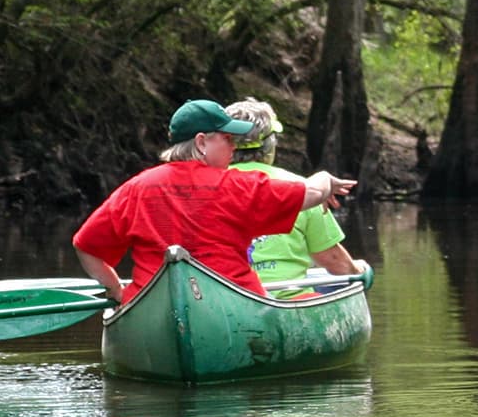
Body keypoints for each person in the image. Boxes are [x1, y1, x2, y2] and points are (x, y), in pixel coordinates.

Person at [72, 98, 357, 303]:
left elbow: (85, 246)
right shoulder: (237, 186)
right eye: (227, 138)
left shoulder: (135, 188)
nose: (234, 146)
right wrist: (325, 179)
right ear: (201, 142)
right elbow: (311, 193)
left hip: (154, 305)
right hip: (238, 304)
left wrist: (115, 291)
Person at [221, 97, 366, 286]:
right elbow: (335, 262)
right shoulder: (303, 188)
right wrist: (359, 271)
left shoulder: (203, 187)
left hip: (224, 297)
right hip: (287, 297)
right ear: (270, 145)